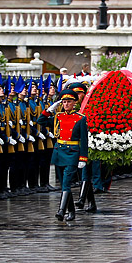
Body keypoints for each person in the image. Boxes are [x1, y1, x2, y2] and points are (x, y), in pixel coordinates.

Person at [38, 88, 89, 221]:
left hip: (72, 153)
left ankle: (61, 210)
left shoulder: (80, 118)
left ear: (74, 103)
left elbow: (84, 140)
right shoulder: (58, 116)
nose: (66, 104)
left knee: (66, 182)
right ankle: (71, 211)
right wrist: (49, 110)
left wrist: (83, 157)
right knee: (63, 184)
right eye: (64, 102)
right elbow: (41, 121)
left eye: (69, 102)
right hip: (59, 151)